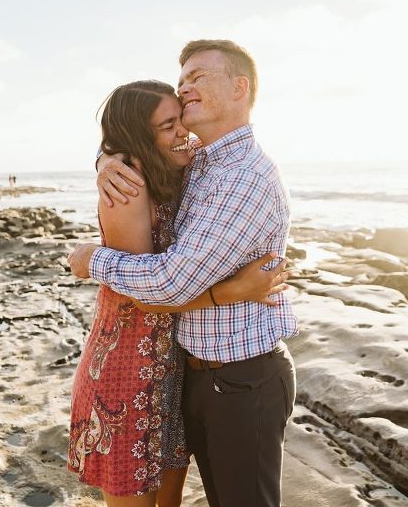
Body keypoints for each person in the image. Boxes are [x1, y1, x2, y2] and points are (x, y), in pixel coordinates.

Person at [67, 40, 298, 507]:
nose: (185, 87)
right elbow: (132, 137)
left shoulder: (242, 176)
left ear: (239, 88)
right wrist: (108, 159)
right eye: (182, 80)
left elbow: (168, 284)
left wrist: (90, 260)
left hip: (238, 377)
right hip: (172, 369)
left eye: (198, 77)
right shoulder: (199, 161)